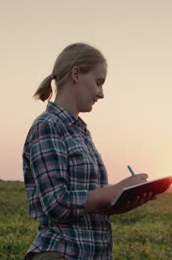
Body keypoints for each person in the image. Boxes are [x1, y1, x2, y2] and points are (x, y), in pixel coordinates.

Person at [22, 43, 154, 260]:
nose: (101, 93)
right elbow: (58, 205)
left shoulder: (80, 132)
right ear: (76, 74)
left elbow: (88, 202)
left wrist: (120, 202)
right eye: (98, 82)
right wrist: (113, 190)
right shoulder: (47, 126)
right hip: (61, 252)